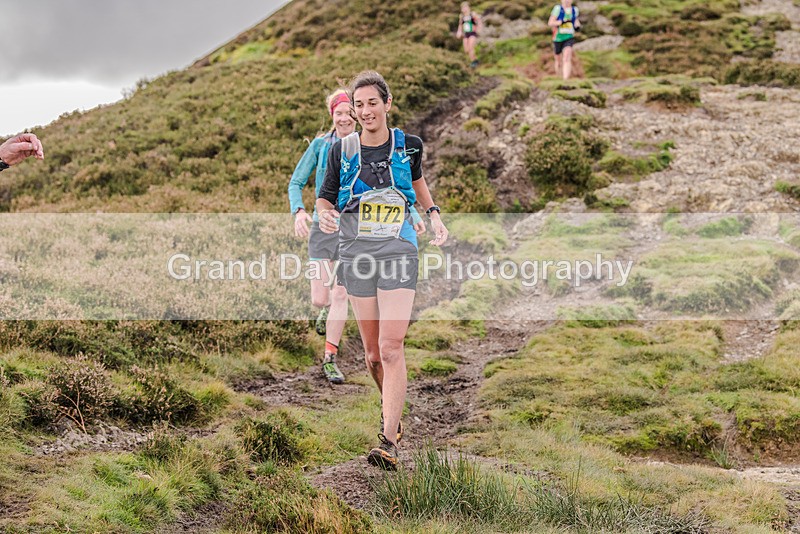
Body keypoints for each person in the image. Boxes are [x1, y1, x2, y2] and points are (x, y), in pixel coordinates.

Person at [316, 71, 448, 470]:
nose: (367, 110)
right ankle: (391, 407)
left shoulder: (409, 146)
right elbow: (324, 199)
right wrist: (325, 217)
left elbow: (418, 181)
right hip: (356, 252)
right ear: (353, 111)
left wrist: (434, 215)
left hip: (398, 248)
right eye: (359, 105)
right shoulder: (343, 150)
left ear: (387, 104)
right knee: (373, 356)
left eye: (373, 102)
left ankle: (388, 440)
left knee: (392, 346)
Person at [288, 89, 355, 384]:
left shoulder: (365, 146)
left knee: (341, 293)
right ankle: (324, 312)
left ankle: (330, 359)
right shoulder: (319, 145)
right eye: (339, 113)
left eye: (349, 113)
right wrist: (299, 212)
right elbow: (296, 182)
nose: (345, 118)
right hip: (321, 227)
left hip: (352, 229)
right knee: (320, 299)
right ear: (333, 116)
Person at [548, 0, 581, 80]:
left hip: (569, 37)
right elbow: (550, 22)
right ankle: (558, 77)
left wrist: (577, 26)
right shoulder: (558, 9)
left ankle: (565, 79)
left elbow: (576, 21)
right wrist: (560, 22)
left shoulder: (574, 10)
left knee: (567, 57)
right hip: (558, 37)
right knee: (558, 60)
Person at [456, 2, 482, 68]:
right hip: (465, 34)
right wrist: (459, 32)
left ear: (468, 8)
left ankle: (473, 63)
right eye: (463, 8)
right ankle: (475, 60)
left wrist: (479, 28)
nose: (464, 9)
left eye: (465, 7)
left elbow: (479, 20)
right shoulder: (462, 16)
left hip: (472, 33)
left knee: (471, 47)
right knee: (466, 50)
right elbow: (460, 25)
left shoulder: (472, 14)